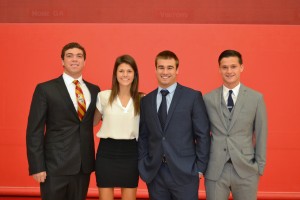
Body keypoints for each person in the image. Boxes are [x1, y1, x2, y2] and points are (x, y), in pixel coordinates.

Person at [26, 42, 100, 200]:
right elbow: (34, 131)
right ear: (62, 61)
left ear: (84, 62)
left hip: (83, 167)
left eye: (79, 56)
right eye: (69, 56)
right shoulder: (45, 89)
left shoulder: (95, 90)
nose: (75, 59)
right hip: (54, 167)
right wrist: (37, 166)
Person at [138, 50, 211, 200]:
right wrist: (143, 163)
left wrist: (199, 168)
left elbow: (203, 134)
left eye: (170, 68)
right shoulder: (146, 101)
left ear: (177, 70)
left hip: (186, 173)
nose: (165, 72)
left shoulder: (192, 97)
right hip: (156, 174)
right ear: (155, 69)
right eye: (161, 67)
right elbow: (144, 136)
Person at [203, 49, 268, 200]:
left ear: (241, 68)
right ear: (219, 69)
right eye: (224, 67)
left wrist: (259, 167)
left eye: (233, 66)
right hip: (215, 169)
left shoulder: (256, 98)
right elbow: (202, 135)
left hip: (246, 169)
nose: (229, 71)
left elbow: (261, 134)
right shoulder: (208, 99)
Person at [93, 55, 142, 200]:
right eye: (121, 71)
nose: (125, 75)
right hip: (107, 153)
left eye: (129, 71)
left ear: (135, 75)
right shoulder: (103, 96)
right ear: (115, 74)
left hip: (131, 154)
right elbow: (93, 122)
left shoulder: (142, 99)